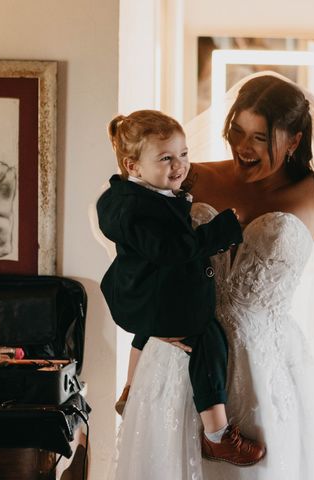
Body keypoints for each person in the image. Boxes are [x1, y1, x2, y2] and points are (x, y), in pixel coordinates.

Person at [110, 74, 314, 479]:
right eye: (237, 131)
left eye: (262, 137)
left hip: (264, 370)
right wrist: (144, 314)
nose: (244, 147)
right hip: (177, 358)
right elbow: (129, 225)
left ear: (294, 139)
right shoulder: (191, 177)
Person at [97, 110, 266, 467]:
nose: (180, 165)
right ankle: (217, 434)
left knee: (150, 326)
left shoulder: (136, 193)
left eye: (184, 154)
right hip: (151, 294)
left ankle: (130, 389)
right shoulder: (139, 207)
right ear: (133, 165)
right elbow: (173, 250)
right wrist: (219, 231)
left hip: (140, 292)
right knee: (205, 336)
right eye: (166, 158)